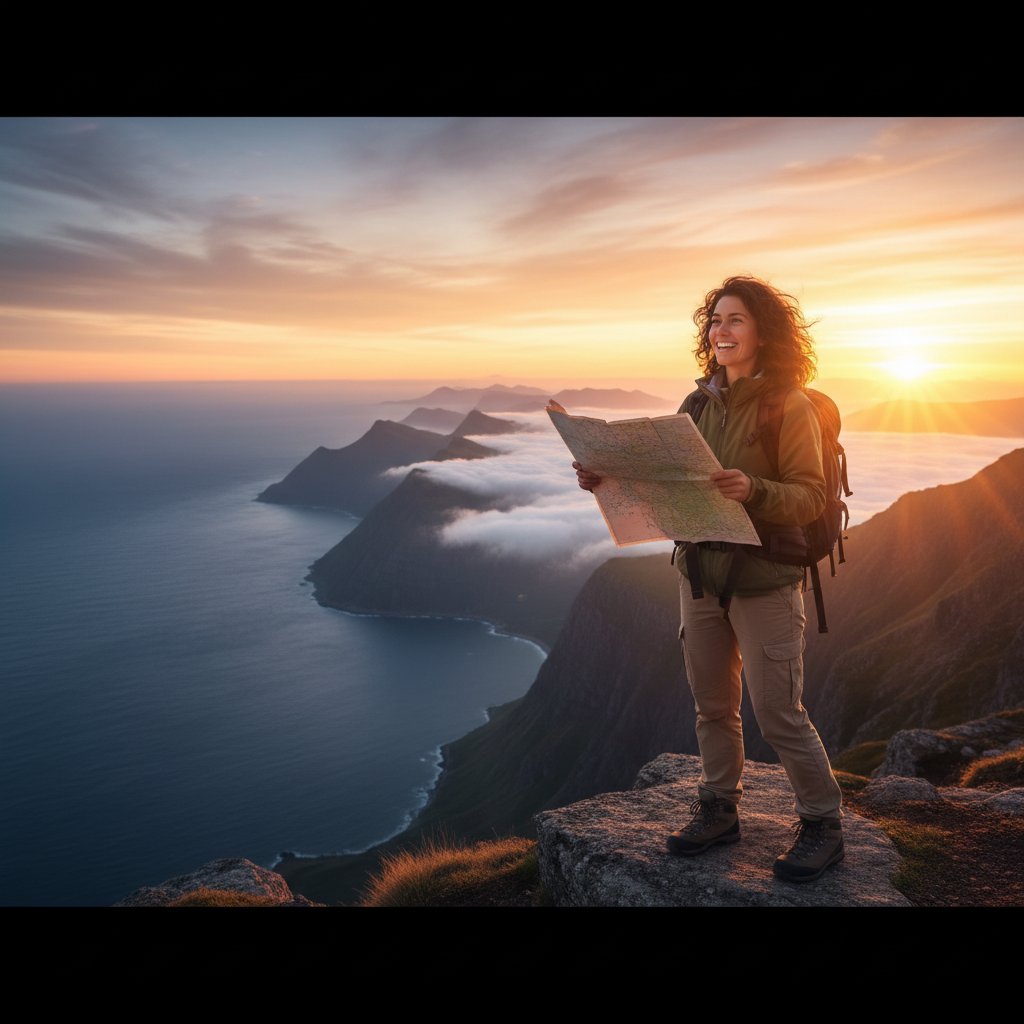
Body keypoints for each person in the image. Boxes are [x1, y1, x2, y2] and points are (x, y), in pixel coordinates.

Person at [573, 275, 844, 884]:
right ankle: (720, 808)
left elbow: (810, 496)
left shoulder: (788, 405)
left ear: (764, 333)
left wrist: (754, 489)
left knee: (778, 712)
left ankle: (823, 824)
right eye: (716, 320)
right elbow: (665, 484)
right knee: (713, 706)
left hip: (764, 580)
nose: (722, 330)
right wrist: (605, 480)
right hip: (698, 576)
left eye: (736, 319)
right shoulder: (695, 406)